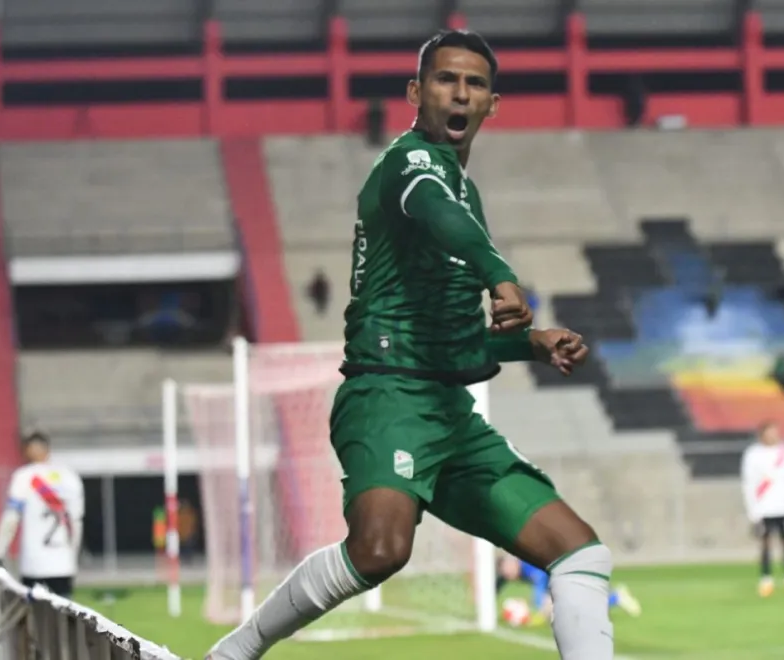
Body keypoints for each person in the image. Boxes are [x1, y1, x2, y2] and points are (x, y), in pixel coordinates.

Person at [207, 29, 611, 660]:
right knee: (380, 550)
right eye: (446, 79)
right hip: (388, 393)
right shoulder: (411, 165)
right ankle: (236, 650)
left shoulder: (463, 190)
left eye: (474, 83)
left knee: (581, 553)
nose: (460, 92)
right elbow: (436, 210)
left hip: (451, 413)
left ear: (491, 104)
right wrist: (500, 275)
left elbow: (449, 337)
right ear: (416, 92)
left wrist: (531, 345)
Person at [0, 431, 85, 598]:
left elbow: (11, 519)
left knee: (34, 619)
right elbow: (76, 522)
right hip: (62, 563)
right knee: (63, 618)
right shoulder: (69, 477)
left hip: (33, 562)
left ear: (27, 450)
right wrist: (73, 557)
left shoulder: (24, 477)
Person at [740, 422, 784, 598]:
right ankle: (766, 580)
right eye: (769, 432)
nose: (773, 436)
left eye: (775, 432)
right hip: (764, 506)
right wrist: (752, 509)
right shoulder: (753, 454)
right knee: (765, 544)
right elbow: (749, 482)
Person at [497, 555, 640, 625]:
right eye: (505, 574)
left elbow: (540, 580)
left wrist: (540, 604)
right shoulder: (512, 573)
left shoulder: (527, 566)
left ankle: (617, 597)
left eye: (508, 570)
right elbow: (496, 585)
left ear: (513, 562)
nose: (508, 575)